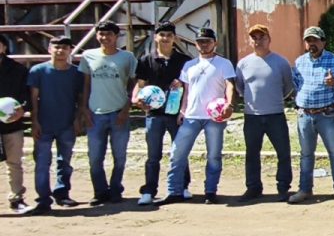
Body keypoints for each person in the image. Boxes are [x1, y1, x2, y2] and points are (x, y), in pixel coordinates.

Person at [161, 27, 235, 205]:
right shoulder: (189, 65)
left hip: (214, 117)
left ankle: (210, 191)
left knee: (214, 156)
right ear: (196, 44)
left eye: (207, 41)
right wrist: (182, 110)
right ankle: (174, 191)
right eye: (200, 42)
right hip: (192, 116)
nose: (204, 45)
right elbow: (186, 91)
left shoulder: (224, 63)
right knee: (177, 153)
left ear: (214, 43)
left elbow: (229, 85)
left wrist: (229, 105)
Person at [290, 26, 334, 203]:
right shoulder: (300, 62)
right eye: (308, 40)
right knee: (306, 154)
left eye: (315, 40)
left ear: (323, 42)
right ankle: (305, 189)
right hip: (304, 115)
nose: (312, 44)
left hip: (327, 115)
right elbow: (296, 84)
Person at [132, 22, 191, 205]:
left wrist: (181, 89)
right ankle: (149, 190)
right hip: (154, 115)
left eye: (169, 35)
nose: (165, 38)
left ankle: (183, 186)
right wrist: (135, 99)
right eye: (162, 35)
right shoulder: (146, 60)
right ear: (156, 37)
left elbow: (190, 86)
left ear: (175, 38)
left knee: (179, 153)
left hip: (175, 114)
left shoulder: (184, 60)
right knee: (153, 155)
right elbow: (140, 85)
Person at [79, 20, 137, 205]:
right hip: (95, 113)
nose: (105, 38)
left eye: (109, 34)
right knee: (95, 157)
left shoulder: (127, 58)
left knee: (119, 156)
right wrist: (84, 109)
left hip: (118, 112)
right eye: (101, 34)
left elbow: (133, 86)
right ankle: (100, 191)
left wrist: (126, 109)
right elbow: (86, 85)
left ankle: (115, 189)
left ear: (116, 36)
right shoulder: (88, 56)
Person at [235, 24, 295, 203]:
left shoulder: (281, 62)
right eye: (254, 38)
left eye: (262, 37)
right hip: (252, 115)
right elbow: (240, 87)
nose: (258, 41)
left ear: (269, 39)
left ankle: (283, 187)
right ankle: (253, 187)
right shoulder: (243, 63)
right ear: (250, 40)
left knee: (283, 152)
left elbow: (288, 86)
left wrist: (275, 100)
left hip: (275, 114)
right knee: (252, 152)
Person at [24, 37, 82, 215]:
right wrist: (34, 122)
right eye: (57, 47)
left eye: (65, 48)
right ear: (50, 49)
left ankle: (62, 193)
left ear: (70, 51)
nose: (60, 51)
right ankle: (43, 199)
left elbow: (80, 98)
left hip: (66, 123)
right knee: (42, 163)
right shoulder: (38, 71)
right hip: (44, 123)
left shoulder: (76, 73)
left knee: (65, 162)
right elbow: (33, 98)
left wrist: (78, 119)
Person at [0, 35, 29, 211]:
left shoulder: (18, 70)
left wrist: (22, 110)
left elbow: (27, 95)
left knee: (14, 163)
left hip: (12, 124)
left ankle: (16, 199)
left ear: (3, 47)